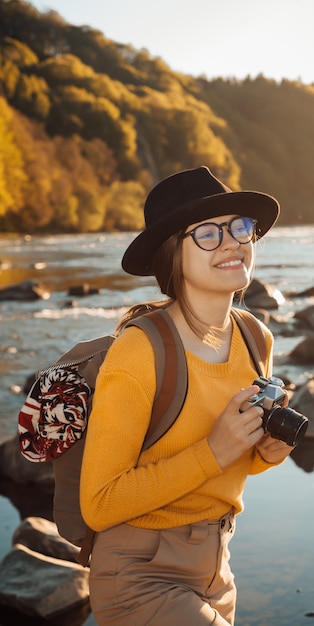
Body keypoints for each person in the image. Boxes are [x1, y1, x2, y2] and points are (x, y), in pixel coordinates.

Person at [80, 165, 294, 625]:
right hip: (138, 573)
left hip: (218, 570)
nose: (234, 241)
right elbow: (98, 504)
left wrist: (266, 451)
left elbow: (234, 463)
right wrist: (214, 450)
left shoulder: (255, 338)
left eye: (240, 227)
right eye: (209, 234)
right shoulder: (141, 351)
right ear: (171, 254)